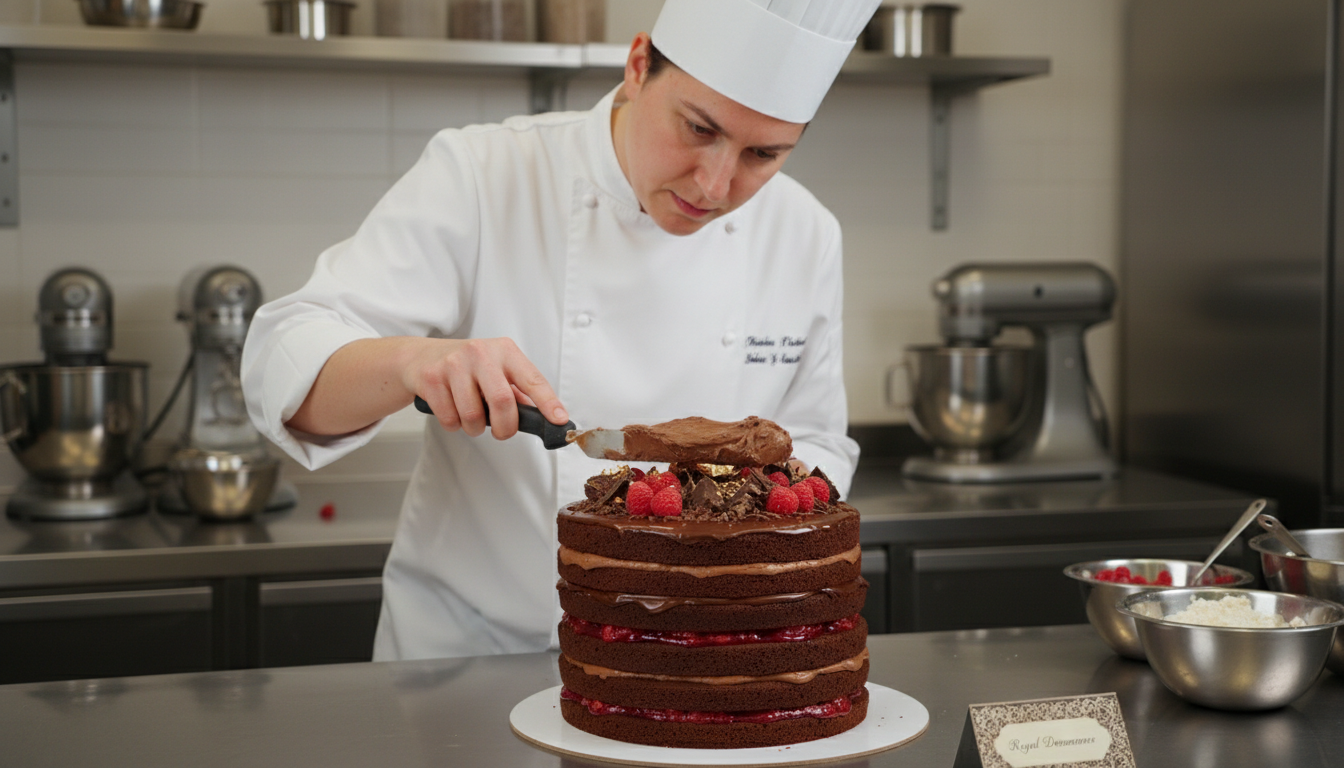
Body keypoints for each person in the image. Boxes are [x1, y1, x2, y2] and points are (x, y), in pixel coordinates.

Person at [242, 0, 879, 661]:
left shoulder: (804, 234)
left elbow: (817, 444)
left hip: (694, 661)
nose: (716, 184)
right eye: (697, 129)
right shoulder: (486, 174)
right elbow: (285, 361)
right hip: (471, 659)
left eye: (764, 153)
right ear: (638, 66)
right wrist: (413, 364)